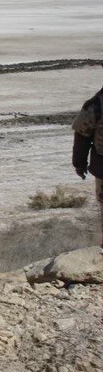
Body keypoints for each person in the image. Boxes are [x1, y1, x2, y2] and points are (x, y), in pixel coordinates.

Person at [72, 66, 103, 247]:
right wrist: (79, 163)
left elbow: (82, 136)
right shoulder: (96, 105)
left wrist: (79, 163)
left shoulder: (96, 105)